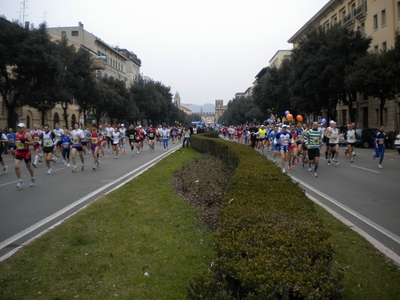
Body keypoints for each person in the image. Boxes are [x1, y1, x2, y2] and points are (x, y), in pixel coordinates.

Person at [14, 123, 35, 188]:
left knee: (28, 167)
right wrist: (15, 146)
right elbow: (17, 142)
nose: (19, 129)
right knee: (16, 166)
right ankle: (20, 180)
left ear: (24, 128)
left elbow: (33, 143)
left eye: (20, 128)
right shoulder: (16, 134)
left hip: (26, 153)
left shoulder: (27, 134)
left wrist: (25, 142)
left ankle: (32, 178)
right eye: (18, 128)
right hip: (19, 152)